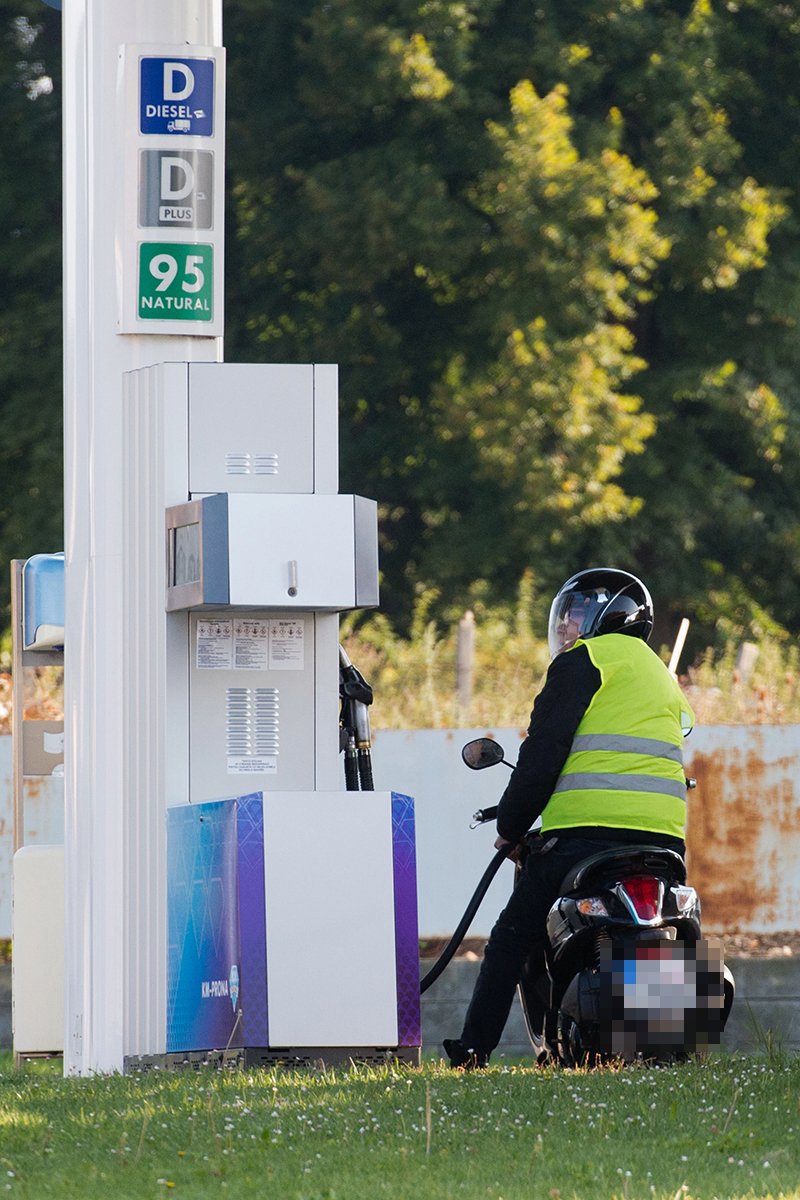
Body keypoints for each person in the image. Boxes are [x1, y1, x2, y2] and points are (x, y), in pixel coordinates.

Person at [443, 567, 695, 1069]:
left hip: (584, 836)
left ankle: (472, 1051)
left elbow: (542, 755)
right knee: (680, 922)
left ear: (606, 617)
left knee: (512, 934)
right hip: (664, 844)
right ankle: (678, 1041)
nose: (567, 628)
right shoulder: (662, 681)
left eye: (576, 616)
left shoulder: (584, 663)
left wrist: (510, 828)